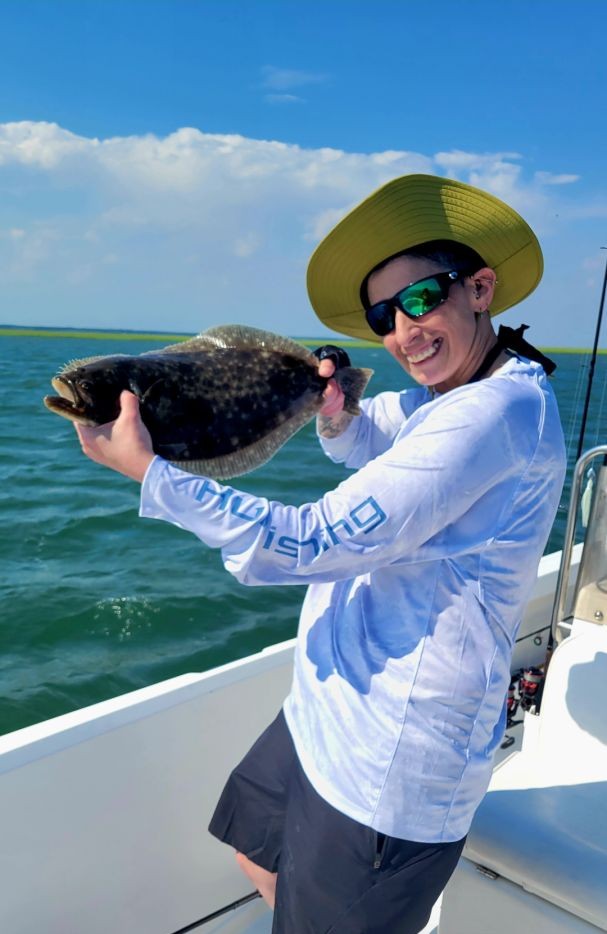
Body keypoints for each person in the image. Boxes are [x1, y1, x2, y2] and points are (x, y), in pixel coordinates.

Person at [75, 174, 566, 933]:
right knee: (255, 853)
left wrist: (152, 474)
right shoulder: (451, 392)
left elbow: (309, 541)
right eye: (382, 316)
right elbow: (366, 436)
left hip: (390, 758)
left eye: (419, 299)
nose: (402, 332)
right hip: (325, 711)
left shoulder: (495, 412)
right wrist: (331, 411)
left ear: (478, 288)